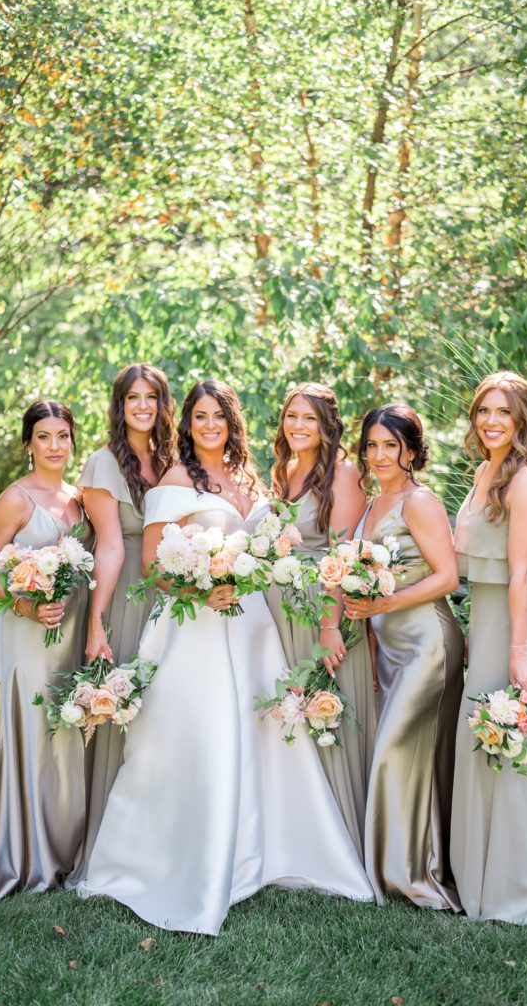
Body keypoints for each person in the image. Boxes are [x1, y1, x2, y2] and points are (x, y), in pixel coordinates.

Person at [78, 380, 373, 934]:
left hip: (257, 627)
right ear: (186, 425)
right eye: (199, 417)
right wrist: (201, 588)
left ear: (231, 422)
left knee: (261, 734)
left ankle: (268, 849)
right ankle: (185, 859)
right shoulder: (174, 480)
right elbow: (156, 566)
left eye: (218, 416)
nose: (209, 425)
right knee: (206, 739)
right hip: (198, 630)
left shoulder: (250, 477)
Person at [0, 401, 88, 899]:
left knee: (66, 734)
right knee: (34, 731)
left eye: (62, 436)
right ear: (28, 444)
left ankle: (64, 848)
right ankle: (24, 854)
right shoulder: (15, 499)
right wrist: (26, 603)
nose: (54, 446)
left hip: (70, 632)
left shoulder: (78, 499)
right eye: (43, 437)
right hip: (28, 635)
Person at [343, 404, 464, 910]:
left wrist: (384, 603)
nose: (379, 455)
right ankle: (408, 862)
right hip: (388, 646)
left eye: (390, 445)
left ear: (410, 450)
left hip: (427, 644)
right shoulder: (370, 504)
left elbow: (447, 577)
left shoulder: (419, 501)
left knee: (396, 751)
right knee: (408, 757)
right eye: (371, 445)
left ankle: (411, 875)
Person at [450, 371, 527, 922]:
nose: (491, 421)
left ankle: (515, 887)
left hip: (516, 621)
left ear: (522, 419)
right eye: (483, 411)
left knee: (510, 743)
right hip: (487, 619)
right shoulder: (483, 471)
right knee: (481, 738)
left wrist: (519, 652)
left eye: (503, 412)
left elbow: (519, 576)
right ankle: (478, 881)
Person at [68, 364, 176, 883]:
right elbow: (109, 546)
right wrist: (97, 624)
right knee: (124, 711)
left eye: (150, 397)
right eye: (132, 397)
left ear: (162, 404)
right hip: (128, 592)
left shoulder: (172, 459)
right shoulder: (104, 463)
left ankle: (162, 842)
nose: (142, 406)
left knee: (165, 714)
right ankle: (109, 852)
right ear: (119, 404)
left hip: (174, 592)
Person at [268, 382, 375, 859]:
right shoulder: (283, 470)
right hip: (284, 612)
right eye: (292, 416)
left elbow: (343, 556)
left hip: (323, 610)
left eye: (309, 418)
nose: (298, 426)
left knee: (332, 709)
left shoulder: (344, 474)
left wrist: (331, 626)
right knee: (297, 711)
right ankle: (302, 838)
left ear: (327, 424)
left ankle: (347, 840)